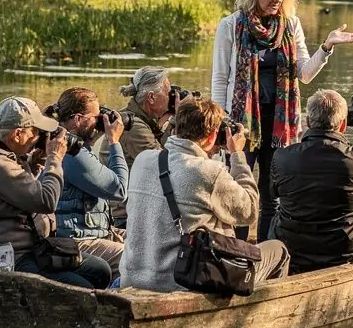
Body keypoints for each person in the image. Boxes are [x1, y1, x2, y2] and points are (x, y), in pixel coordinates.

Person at [211, 0, 353, 238]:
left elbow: (304, 74)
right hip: (242, 124)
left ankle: (266, 255)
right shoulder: (231, 26)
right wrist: (221, 124)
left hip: (280, 125)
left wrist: (327, 46)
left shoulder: (290, 25)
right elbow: (220, 79)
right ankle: (236, 253)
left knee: (272, 194)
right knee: (238, 192)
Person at [118, 95, 290, 292]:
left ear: (176, 127)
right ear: (212, 135)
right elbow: (249, 212)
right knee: (278, 250)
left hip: (133, 279)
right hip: (183, 283)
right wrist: (237, 155)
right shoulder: (209, 172)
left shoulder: (143, 160)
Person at [0, 95, 111, 289]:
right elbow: (46, 201)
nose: (39, 137)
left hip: (24, 250)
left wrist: (36, 163)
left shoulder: (4, 156)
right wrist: (54, 159)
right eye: (36, 132)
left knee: (100, 271)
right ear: (17, 135)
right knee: (82, 287)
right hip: (2, 258)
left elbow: (23, 193)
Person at [269, 88, 353, 273]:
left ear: (309, 122)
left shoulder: (282, 157)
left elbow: (273, 192)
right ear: (342, 125)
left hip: (295, 255)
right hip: (349, 255)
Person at [44, 87, 128, 273]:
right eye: (95, 117)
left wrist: (92, 139)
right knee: (131, 255)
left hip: (90, 233)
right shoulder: (72, 154)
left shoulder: (65, 143)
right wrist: (114, 141)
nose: (99, 121)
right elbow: (119, 190)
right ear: (78, 119)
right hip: (76, 241)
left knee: (150, 242)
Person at [99, 67, 175, 227]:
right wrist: (180, 121)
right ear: (152, 97)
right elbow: (168, 165)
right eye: (168, 92)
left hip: (133, 211)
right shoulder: (132, 126)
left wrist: (170, 120)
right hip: (126, 218)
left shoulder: (138, 120)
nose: (171, 98)